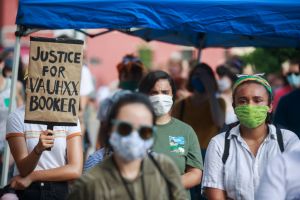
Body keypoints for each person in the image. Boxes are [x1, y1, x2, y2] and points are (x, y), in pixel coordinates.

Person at [68, 93, 187, 200]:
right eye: (125, 129)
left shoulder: (164, 168)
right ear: (110, 129)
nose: (134, 137)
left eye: (144, 131)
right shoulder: (89, 184)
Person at [202, 74, 300, 200]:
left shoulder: (288, 141)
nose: (250, 106)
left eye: (257, 100)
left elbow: (295, 189)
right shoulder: (219, 144)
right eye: (242, 101)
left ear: (270, 106)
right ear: (234, 106)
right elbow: (215, 195)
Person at [5, 72, 83, 200]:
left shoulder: (69, 118)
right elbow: (23, 169)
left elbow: (75, 170)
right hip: (28, 192)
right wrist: (38, 149)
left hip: (58, 192)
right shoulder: (16, 118)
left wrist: (33, 176)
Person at [138, 71, 203, 198]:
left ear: (173, 94)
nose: (160, 97)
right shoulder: (134, 130)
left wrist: (166, 184)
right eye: (154, 93)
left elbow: (195, 174)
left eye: (165, 92)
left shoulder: (185, 131)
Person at [172, 63, 226, 157]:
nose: (201, 79)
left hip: (210, 155)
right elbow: (175, 134)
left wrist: (211, 91)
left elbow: (219, 122)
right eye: (197, 75)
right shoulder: (180, 105)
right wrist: (178, 158)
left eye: (205, 75)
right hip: (186, 155)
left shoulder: (219, 103)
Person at [274, 63, 300, 137]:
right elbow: (279, 130)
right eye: (289, 74)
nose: (292, 76)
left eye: (296, 73)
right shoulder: (284, 99)